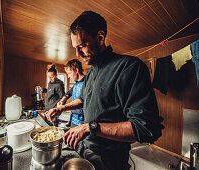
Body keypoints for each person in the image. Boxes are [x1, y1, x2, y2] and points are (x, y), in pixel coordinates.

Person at [46, 11, 164, 170]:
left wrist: (90, 127)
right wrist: (63, 107)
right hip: (85, 148)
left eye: (81, 45)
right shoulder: (91, 73)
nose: (78, 54)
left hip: (110, 160)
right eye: (75, 48)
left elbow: (146, 128)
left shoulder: (128, 67)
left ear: (100, 37)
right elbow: (83, 100)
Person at [57, 59, 85, 126]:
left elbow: (84, 108)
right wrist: (63, 99)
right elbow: (69, 92)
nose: (68, 76)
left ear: (76, 70)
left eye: (69, 73)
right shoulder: (77, 83)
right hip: (73, 120)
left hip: (82, 123)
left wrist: (65, 109)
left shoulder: (87, 84)